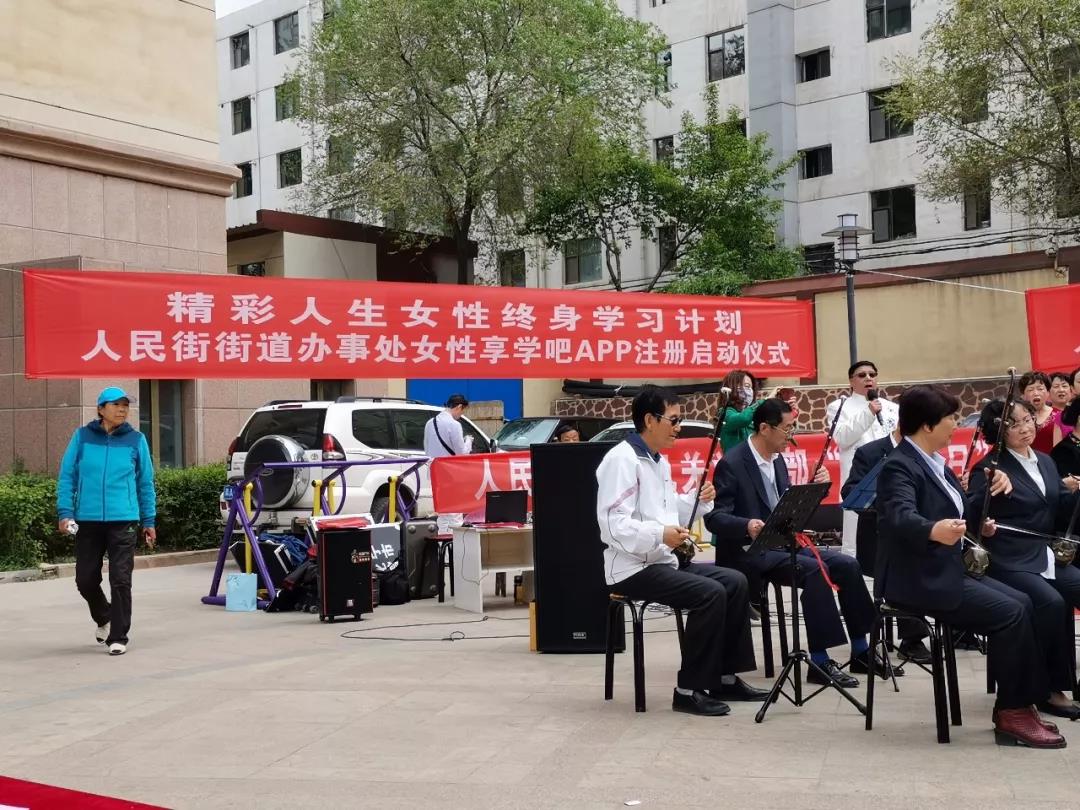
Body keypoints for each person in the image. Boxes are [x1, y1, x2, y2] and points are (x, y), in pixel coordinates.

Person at [875, 384, 1064, 748]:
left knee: (1024, 602)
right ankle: (1012, 713)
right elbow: (898, 517)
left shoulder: (935, 464)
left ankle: (1019, 704)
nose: (956, 425)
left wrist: (985, 505)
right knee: (1010, 612)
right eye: (951, 418)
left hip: (949, 567)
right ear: (928, 425)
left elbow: (963, 514)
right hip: (919, 577)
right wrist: (933, 529)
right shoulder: (899, 466)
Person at [596, 385, 764, 716]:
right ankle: (688, 690)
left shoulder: (657, 461)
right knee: (710, 593)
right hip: (632, 568)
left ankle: (725, 678)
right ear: (649, 420)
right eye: (673, 420)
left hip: (662, 560)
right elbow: (613, 525)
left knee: (735, 582)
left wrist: (698, 500)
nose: (679, 427)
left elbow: (669, 511)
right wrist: (660, 534)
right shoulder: (621, 460)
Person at [705, 398, 885, 689]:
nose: (791, 435)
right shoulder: (733, 464)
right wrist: (747, 525)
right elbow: (715, 518)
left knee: (847, 565)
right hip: (750, 550)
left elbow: (785, 509)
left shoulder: (777, 461)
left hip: (782, 544)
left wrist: (813, 489)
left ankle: (861, 649)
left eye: (793, 428)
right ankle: (819, 660)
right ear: (765, 428)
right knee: (814, 572)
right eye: (787, 428)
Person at [967, 398, 1080, 719]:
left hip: (1043, 553)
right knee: (1051, 602)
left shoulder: (1044, 461)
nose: (1025, 428)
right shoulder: (990, 467)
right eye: (1013, 424)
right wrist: (985, 522)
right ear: (998, 431)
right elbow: (973, 512)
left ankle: (1068, 680)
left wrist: (1075, 494)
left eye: (1028, 419)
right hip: (1008, 557)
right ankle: (1048, 689)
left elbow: (1057, 508)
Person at [56, 387, 156, 656]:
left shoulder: (136, 440)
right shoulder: (82, 437)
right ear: (101, 409)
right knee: (85, 579)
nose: (122, 409)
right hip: (87, 520)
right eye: (116, 404)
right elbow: (67, 476)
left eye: (125, 405)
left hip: (123, 519)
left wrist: (149, 520)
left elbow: (145, 482)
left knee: (120, 579)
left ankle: (118, 636)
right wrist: (65, 513)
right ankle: (105, 616)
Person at [840, 424, 932, 665]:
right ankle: (912, 638)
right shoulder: (870, 452)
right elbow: (850, 492)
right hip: (878, 537)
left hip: (914, 531)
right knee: (904, 562)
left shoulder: (924, 451)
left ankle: (957, 628)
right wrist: (888, 501)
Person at [825, 361, 899, 556]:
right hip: (859, 480)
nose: (868, 378)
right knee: (857, 540)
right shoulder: (839, 407)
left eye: (872, 374)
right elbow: (842, 438)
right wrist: (868, 412)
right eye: (862, 375)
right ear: (851, 381)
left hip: (892, 477)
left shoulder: (892, 408)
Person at [717, 369, 766, 452]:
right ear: (731, 387)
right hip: (735, 460)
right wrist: (763, 401)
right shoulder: (724, 412)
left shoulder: (752, 414)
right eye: (746, 386)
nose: (749, 391)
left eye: (751, 388)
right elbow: (743, 419)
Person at [422, 394, 472, 459]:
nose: (461, 415)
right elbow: (462, 454)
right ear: (459, 407)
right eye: (462, 411)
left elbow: (426, 449)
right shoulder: (455, 425)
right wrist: (469, 440)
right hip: (447, 465)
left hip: (432, 464)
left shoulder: (429, 423)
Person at [1019, 371, 1056, 454]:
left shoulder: (1059, 415)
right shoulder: (1018, 417)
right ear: (1023, 395)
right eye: (1030, 390)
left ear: (1048, 392)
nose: (1036, 393)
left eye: (1040, 389)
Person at [1050, 370, 1075, 445]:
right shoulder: (1044, 416)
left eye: (1064, 386)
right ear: (1048, 391)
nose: (1061, 390)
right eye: (1056, 386)